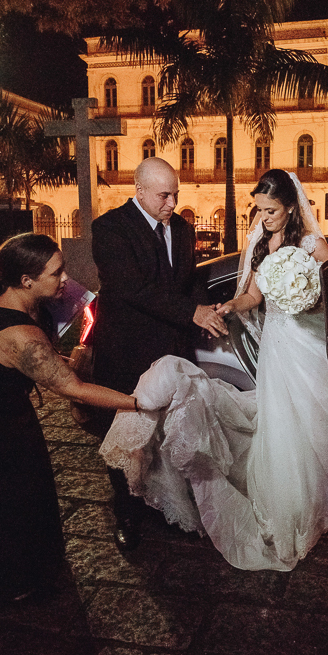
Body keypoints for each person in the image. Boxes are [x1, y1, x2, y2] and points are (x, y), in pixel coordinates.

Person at [100, 170, 328, 571]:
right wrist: (230, 307)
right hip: (278, 349)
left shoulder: (313, 243)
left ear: (291, 207)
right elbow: (250, 294)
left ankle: (323, 495)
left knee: (316, 421)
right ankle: (287, 504)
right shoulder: (262, 244)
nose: (264, 217)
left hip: (309, 345)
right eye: (260, 210)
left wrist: (308, 301)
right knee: (280, 424)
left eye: (272, 210)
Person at [0, 233, 139, 603]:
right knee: (2, 503)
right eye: (57, 273)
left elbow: (47, 364)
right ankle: (6, 584)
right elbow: (73, 388)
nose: (66, 279)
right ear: (27, 281)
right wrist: (140, 402)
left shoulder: (16, 302)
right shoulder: (17, 332)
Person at [88, 157, 227, 551]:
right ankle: (126, 513)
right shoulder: (109, 228)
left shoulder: (182, 228)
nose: (172, 203)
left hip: (172, 348)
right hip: (126, 348)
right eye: (164, 195)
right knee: (127, 430)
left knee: (167, 430)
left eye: (175, 194)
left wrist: (203, 311)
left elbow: (191, 279)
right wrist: (191, 311)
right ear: (140, 191)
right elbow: (132, 288)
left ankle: (163, 500)